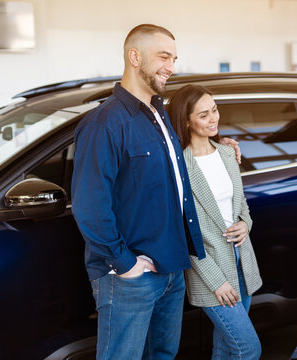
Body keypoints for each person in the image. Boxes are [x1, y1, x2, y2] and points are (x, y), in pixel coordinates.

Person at [72, 24, 237, 359]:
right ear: (135, 57)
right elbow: (90, 205)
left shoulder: (159, 113)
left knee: (163, 355)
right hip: (130, 277)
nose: (171, 66)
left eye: (174, 58)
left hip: (171, 270)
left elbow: (178, 169)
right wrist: (125, 264)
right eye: (164, 56)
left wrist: (223, 145)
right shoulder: (104, 123)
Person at [168, 84, 262, 360]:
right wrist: (215, 281)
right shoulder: (179, 165)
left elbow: (241, 204)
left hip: (242, 259)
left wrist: (245, 223)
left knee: (225, 347)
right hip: (209, 271)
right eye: (204, 115)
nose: (213, 119)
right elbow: (184, 231)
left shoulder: (227, 153)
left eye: (215, 110)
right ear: (187, 121)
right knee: (248, 348)